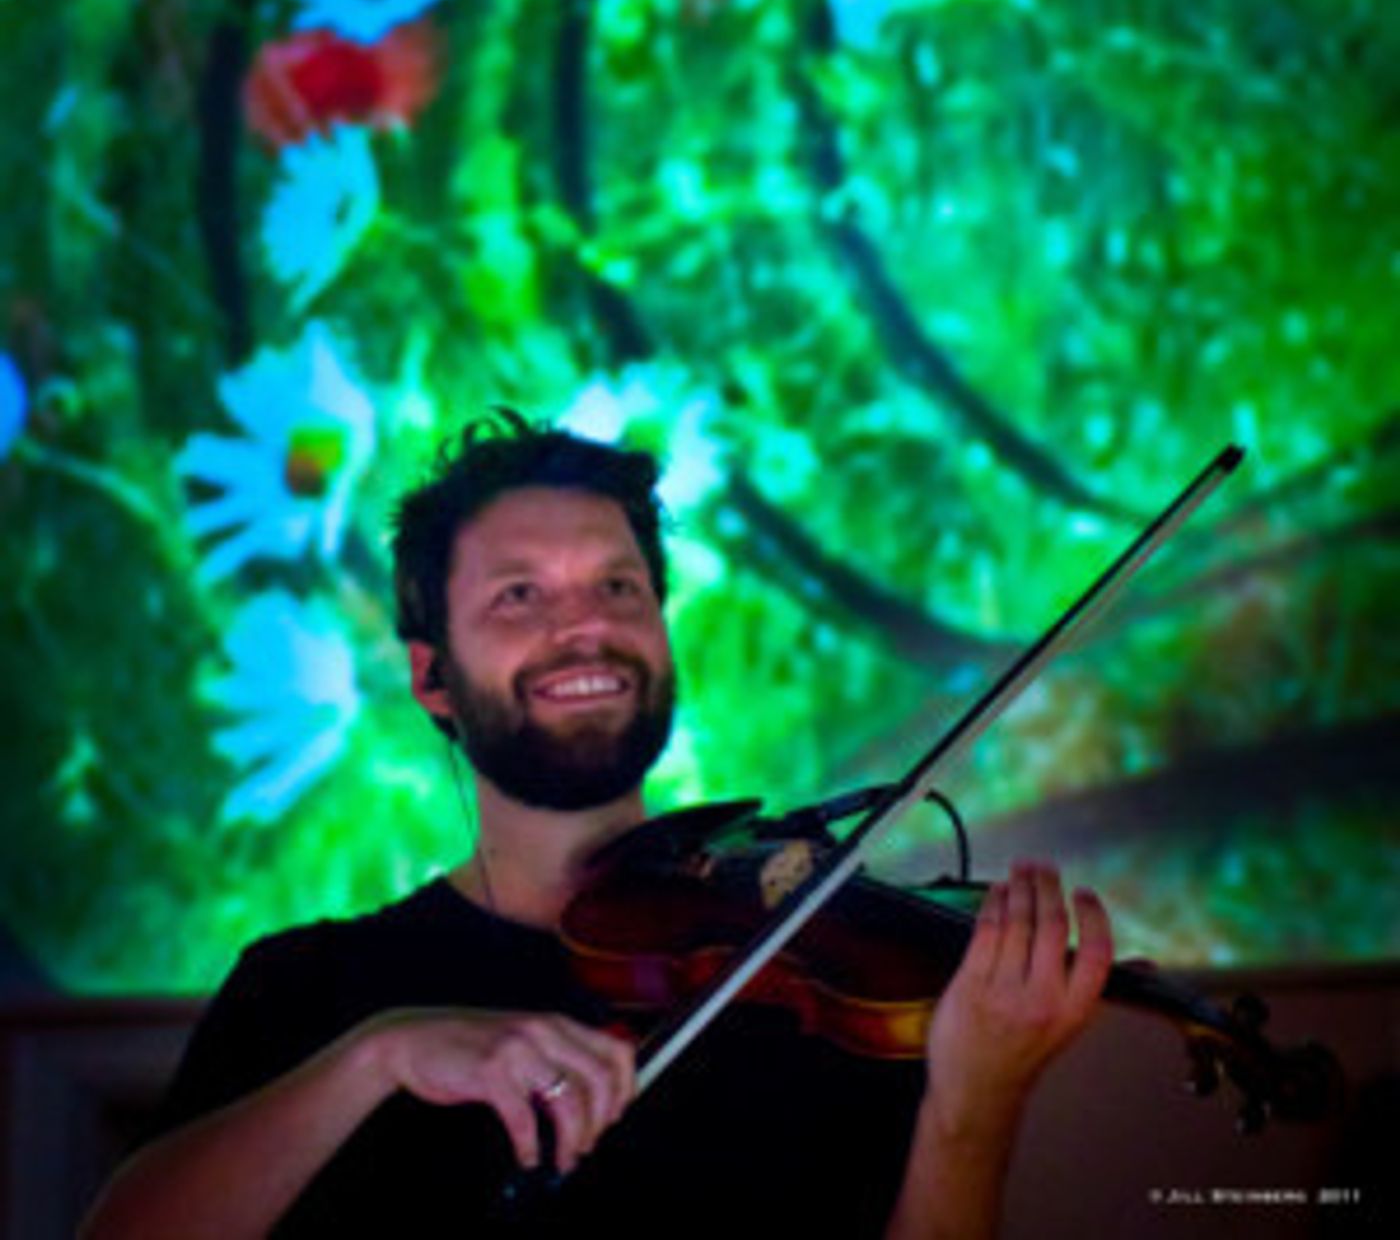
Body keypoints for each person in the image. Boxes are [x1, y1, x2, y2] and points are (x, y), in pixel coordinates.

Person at [83, 411, 1114, 1239]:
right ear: (431, 676)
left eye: (618, 587)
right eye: (518, 595)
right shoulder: (310, 988)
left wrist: (975, 1108)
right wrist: (380, 1056)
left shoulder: (814, 977)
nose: (583, 625)